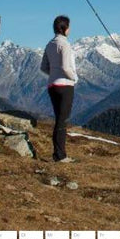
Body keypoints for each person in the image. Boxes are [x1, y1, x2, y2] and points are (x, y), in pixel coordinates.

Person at [40, 14, 79, 163]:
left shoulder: (49, 44)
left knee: (58, 120)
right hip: (65, 85)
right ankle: (60, 155)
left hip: (52, 85)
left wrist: (54, 74)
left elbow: (43, 67)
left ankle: (58, 153)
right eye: (69, 26)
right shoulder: (65, 45)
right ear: (65, 28)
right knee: (62, 121)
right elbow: (65, 67)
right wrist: (74, 78)